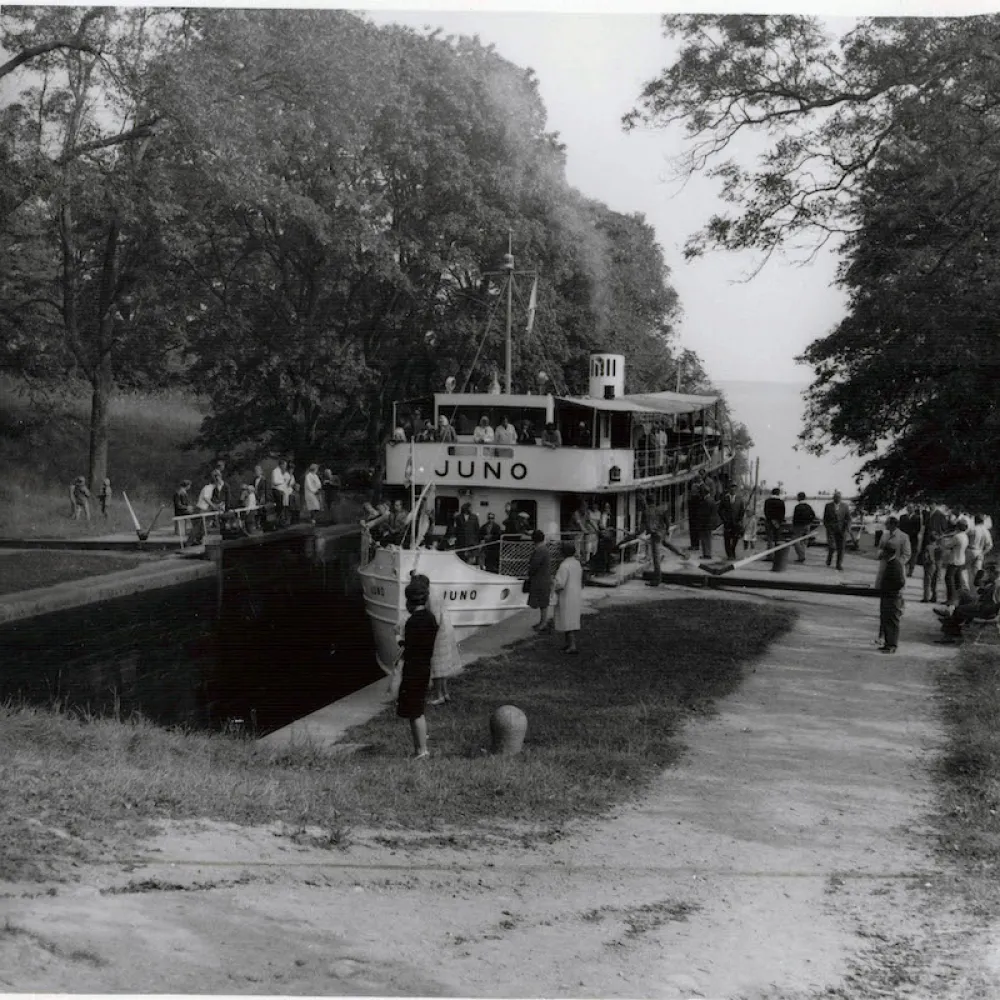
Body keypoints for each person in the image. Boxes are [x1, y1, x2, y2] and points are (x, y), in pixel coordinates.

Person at [397, 577, 437, 759]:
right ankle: (420, 747)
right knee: (417, 709)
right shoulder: (430, 618)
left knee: (415, 712)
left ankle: (421, 750)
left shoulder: (412, 622)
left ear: (409, 601)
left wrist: (399, 639)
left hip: (413, 670)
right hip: (425, 667)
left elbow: (410, 648)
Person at [552, 540, 584, 654]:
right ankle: (568, 644)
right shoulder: (576, 563)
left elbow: (560, 583)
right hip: (575, 594)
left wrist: (553, 584)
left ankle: (572, 645)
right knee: (571, 620)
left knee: (567, 620)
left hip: (566, 595)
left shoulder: (564, 566)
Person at [877, 540, 907, 654]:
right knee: (886, 619)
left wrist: (890, 590)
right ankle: (888, 643)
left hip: (892, 597)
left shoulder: (895, 565)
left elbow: (900, 582)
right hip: (888, 596)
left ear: (887, 552)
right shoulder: (892, 563)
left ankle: (892, 645)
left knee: (892, 621)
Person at [526, 529, 552, 631]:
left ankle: (543, 622)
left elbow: (534, 565)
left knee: (543, 602)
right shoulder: (543, 549)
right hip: (543, 578)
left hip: (540, 579)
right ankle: (542, 621)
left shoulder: (540, 550)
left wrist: (529, 572)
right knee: (542, 601)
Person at [942, 519, 970, 606]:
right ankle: (959, 599)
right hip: (961, 560)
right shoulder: (965, 536)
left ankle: (950, 599)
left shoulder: (956, 537)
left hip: (954, 560)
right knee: (958, 581)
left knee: (949, 579)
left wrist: (944, 539)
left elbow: (947, 545)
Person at [823, 490, 852, 571]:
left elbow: (849, 518)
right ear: (833, 498)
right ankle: (829, 558)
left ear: (841, 498)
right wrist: (828, 527)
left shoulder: (845, 506)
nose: (837, 499)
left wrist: (848, 527)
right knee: (832, 547)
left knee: (841, 548)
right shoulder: (828, 506)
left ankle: (838, 564)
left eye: (839, 497)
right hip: (831, 529)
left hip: (842, 530)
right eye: (836, 497)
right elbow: (825, 519)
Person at [719, 483, 746, 560]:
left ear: (736, 490)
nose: (732, 490)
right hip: (727, 522)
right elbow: (720, 510)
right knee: (727, 538)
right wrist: (724, 519)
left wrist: (739, 520)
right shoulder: (725, 498)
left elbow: (742, 511)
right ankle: (729, 554)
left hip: (736, 523)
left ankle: (732, 551)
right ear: (729, 489)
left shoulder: (740, 499)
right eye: (731, 489)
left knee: (735, 538)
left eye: (734, 489)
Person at [967, 514, 993, 588]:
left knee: (964, 570)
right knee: (977, 572)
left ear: (975, 521)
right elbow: (990, 545)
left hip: (970, 550)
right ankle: (979, 589)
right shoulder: (986, 531)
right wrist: (982, 553)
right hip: (980, 551)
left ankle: (966, 588)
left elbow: (966, 540)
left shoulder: (973, 529)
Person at [788, 492, 816, 563]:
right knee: (804, 542)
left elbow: (795, 518)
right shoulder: (808, 506)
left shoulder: (797, 507)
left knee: (795, 540)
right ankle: (802, 556)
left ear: (799, 498)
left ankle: (801, 556)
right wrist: (809, 522)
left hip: (798, 526)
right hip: (807, 525)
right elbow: (813, 515)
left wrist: (793, 526)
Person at [762, 488, 785, 554]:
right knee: (777, 538)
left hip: (769, 521)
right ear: (778, 493)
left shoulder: (767, 501)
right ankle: (777, 554)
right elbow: (782, 513)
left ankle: (770, 554)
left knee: (770, 538)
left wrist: (770, 519)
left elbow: (765, 511)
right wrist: (779, 521)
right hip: (778, 522)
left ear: (772, 493)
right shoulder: (781, 502)